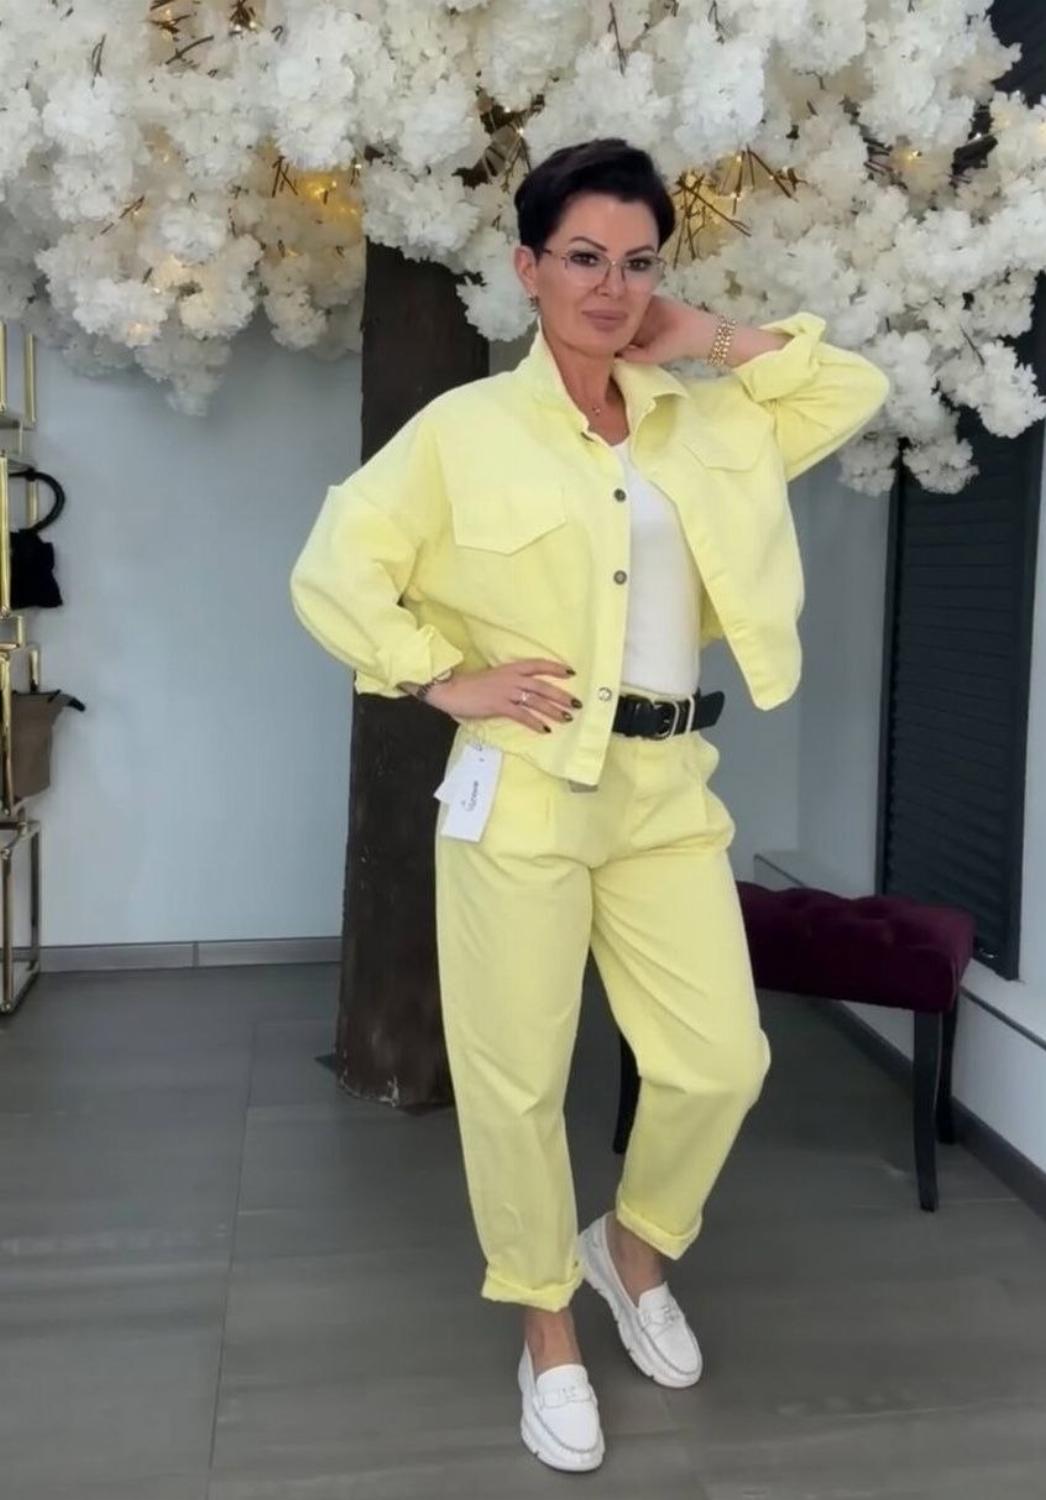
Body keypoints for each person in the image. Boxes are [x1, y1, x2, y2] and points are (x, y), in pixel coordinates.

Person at [290, 137, 890, 1474]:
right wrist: (438, 677)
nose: (611, 287)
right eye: (582, 258)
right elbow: (334, 570)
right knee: (515, 1081)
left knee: (720, 1060)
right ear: (527, 268)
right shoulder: (462, 434)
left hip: (668, 787)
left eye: (637, 262)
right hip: (524, 786)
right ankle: (547, 1328)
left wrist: (711, 336)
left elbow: (851, 387)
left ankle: (630, 1251)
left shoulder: (707, 419)